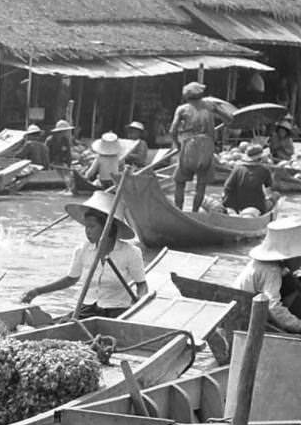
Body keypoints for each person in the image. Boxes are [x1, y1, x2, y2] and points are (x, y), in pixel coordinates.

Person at [19, 190, 148, 319]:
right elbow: (71, 279)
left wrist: (140, 302)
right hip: (87, 307)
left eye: (92, 227)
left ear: (107, 228)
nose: (87, 231)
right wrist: (37, 291)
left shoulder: (131, 253)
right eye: (86, 226)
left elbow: (141, 284)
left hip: (117, 309)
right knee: (64, 324)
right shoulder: (83, 249)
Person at [234, 216, 301, 334]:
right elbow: (273, 307)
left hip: (246, 308)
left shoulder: (273, 267)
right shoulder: (271, 270)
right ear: (289, 255)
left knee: (294, 282)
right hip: (244, 315)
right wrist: (298, 326)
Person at [169, 81, 221, 212]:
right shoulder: (210, 106)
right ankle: (195, 212)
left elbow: (172, 130)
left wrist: (177, 145)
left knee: (180, 182)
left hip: (189, 145)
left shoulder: (182, 109)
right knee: (201, 184)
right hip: (207, 146)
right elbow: (229, 119)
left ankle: (178, 211)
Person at [221, 143, 274, 216]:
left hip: (236, 205)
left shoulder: (237, 168)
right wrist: (269, 199)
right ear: (260, 158)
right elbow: (268, 191)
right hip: (256, 206)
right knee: (276, 196)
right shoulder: (264, 170)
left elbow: (227, 187)